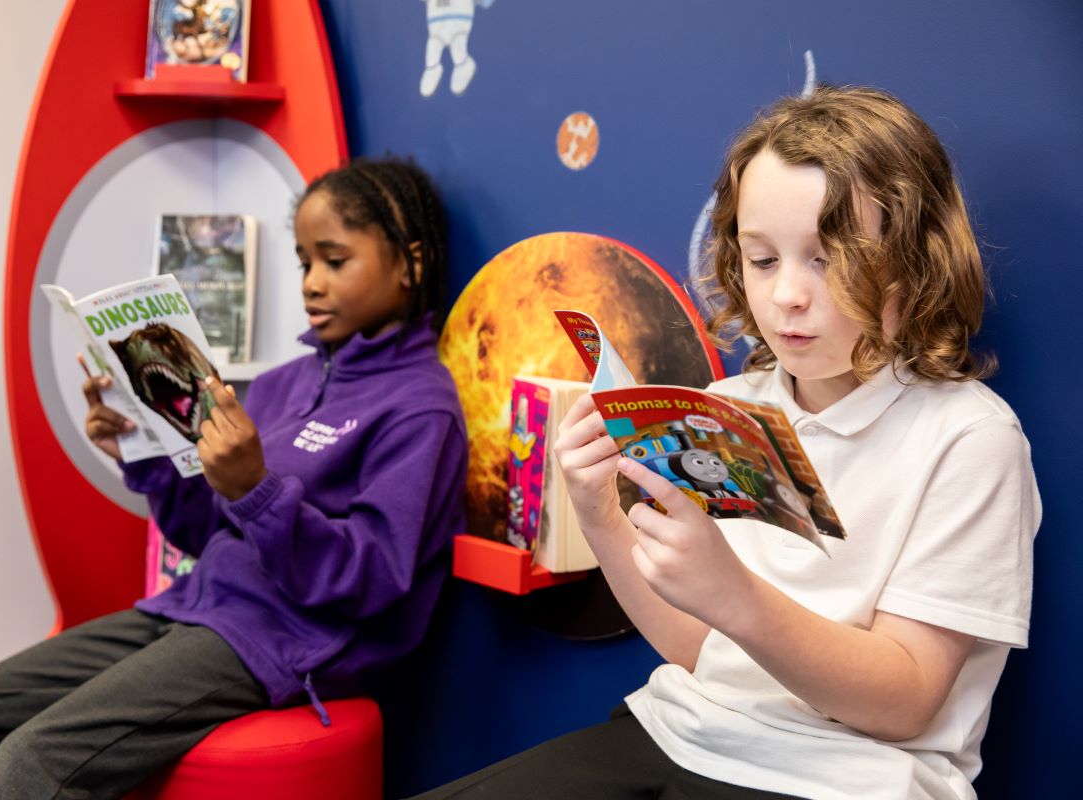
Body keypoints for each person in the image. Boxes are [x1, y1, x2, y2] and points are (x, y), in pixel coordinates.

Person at [411, 86, 1039, 800]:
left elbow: (906, 701)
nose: (787, 296)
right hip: (681, 734)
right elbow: (697, 651)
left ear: (914, 262)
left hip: (854, 779)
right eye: (763, 260)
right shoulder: (725, 409)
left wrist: (734, 594)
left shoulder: (968, 438)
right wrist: (597, 511)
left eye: (829, 258)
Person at [0, 157, 469, 799]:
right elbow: (198, 531)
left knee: (29, 764)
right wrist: (147, 447)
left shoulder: (420, 409)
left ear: (410, 262)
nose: (312, 284)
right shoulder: (280, 385)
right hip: (197, 607)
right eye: (303, 263)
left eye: (335, 260)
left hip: (289, 638)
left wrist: (255, 490)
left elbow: (375, 580)